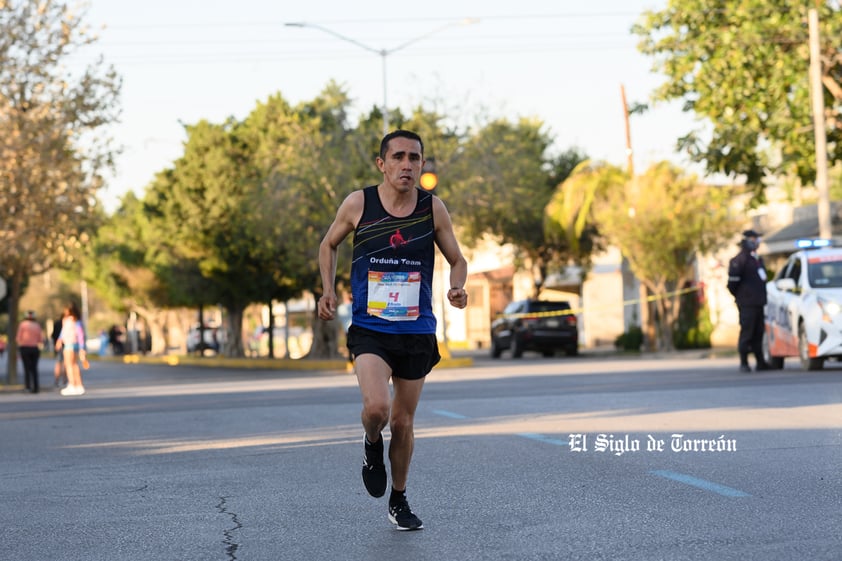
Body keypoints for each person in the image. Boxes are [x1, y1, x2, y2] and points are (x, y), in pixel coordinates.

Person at [318, 130, 468, 531]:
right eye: (398, 157)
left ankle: (398, 500)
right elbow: (328, 245)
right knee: (377, 410)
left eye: (414, 158)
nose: (407, 164)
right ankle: (371, 444)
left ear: (422, 164)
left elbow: (457, 258)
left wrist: (457, 286)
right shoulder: (358, 203)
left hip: (416, 328)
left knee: (402, 422)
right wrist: (327, 290)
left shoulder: (432, 208)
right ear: (382, 164)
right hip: (370, 327)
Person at [727, 229, 771, 372]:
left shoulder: (756, 259)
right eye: (753, 239)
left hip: (759, 302)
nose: (756, 242)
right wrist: (742, 297)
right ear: (746, 241)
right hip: (747, 304)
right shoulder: (739, 260)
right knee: (747, 332)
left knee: (759, 332)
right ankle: (744, 362)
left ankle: (760, 362)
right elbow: (732, 284)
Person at [55, 303, 88, 396]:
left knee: (69, 365)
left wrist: (82, 348)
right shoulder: (77, 321)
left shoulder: (69, 320)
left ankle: (72, 384)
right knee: (74, 365)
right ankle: (78, 385)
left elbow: (79, 334)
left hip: (70, 344)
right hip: (75, 344)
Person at [16, 311, 44, 393]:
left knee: (26, 368)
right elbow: (40, 339)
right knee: (34, 369)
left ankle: (27, 387)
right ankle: (36, 387)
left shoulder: (22, 325)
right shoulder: (37, 325)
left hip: (25, 348)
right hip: (35, 348)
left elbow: (18, 338)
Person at [51, 316, 66, 388]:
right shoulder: (67, 323)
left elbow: (53, 335)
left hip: (59, 345)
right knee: (65, 364)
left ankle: (57, 381)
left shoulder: (57, 323)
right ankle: (64, 380)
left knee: (59, 363)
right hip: (66, 345)